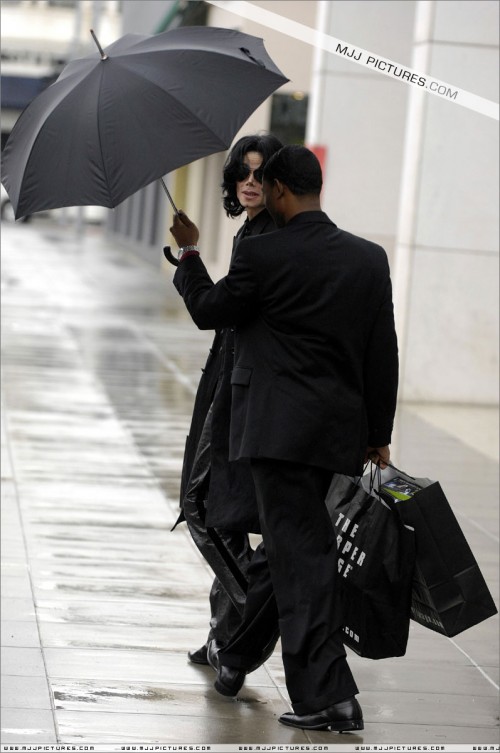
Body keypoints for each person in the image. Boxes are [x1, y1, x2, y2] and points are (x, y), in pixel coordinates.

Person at [169, 145, 399, 732]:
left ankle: (328, 696)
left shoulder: (264, 253)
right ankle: (244, 653)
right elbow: (382, 354)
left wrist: (191, 253)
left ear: (277, 191)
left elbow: (210, 310)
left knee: (301, 564)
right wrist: (379, 434)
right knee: (299, 553)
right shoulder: (368, 259)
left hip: (276, 434)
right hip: (335, 436)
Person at [168, 134, 283, 666]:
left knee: (202, 507)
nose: (251, 181)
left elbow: (214, 308)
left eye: (262, 173)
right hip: (231, 382)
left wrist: (190, 254)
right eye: (244, 171)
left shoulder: (265, 238)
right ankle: (225, 630)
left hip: (245, 390)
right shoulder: (253, 232)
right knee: (223, 511)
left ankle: (248, 623)